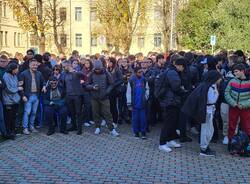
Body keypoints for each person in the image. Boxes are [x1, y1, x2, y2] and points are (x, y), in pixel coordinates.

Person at [182, 70, 222, 156]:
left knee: (208, 130)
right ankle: (204, 149)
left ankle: (205, 147)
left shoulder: (206, 85)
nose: (220, 80)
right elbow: (211, 100)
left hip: (207, 110)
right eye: (219, 78)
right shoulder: (210, 88)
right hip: (207, 111)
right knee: (207, 131)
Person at [158, 58, 187, 153]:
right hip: (170, 101)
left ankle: (169, 140)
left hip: (173, 100)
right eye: (184, 67)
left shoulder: (172, 71)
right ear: (180, 66)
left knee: (173, 122)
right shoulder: (172, 73)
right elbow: (176, 87)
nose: (184, 69)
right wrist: (183, 90)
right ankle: (162, 143)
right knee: (168, 122)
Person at [86, 60, 119, 136]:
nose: (97, 70)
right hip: (94, 97)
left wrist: (107, 92)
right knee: (95, 113)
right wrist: (92, 87)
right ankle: (97, 127)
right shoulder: (91, 73)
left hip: (104, 97)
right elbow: (87, 85)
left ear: (101, 67)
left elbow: (112, 84)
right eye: (96, 69)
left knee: (107, 113)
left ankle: (111, 129)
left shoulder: (106, 73)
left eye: (98, 69)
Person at [225, 64, 250, 150]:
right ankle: (231, 144)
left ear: (242, 71)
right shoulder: (232, 81)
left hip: (245, 108)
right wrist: (233, 103)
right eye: (234, 72)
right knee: (231, 126)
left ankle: (247, 145)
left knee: (247, 126)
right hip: (234, 107)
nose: (234, 73)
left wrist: (243, 105)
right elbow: (227, 93)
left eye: (236, 71)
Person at [19, 58, 46, 135]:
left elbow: (43, 81)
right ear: (29, 65)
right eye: (33, 65)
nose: (35, 66)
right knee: (27, 112)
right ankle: (25, 128)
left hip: (36, 96)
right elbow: (20, 86)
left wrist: (44, 86)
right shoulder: (23, 74)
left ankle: (31, 127)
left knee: (34, 113)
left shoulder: (39, 73)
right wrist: (23, 95)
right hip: (28, 96)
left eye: (36, 65)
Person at [61, 61, 84, 135]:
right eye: (63, 67)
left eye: (64, 66)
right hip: (68, 96)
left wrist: (74, 71)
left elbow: (83, 75)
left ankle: (79, 128)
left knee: (78, 112)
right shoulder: (64, 74)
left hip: (76, 95)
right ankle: (74, 126)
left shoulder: (76, 72)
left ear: (69, 66)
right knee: (71, 112)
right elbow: (63, 84)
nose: (63, 68)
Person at [2, 63, 21, 140]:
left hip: (15, 100)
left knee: (13, 117)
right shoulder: (6, 76)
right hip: (8, 101)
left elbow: (15, 85)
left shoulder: (15, 75)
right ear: (12, 69)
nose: (18, 70)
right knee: (8, 118)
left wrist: (18, 85)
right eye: (17, 68)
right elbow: (8, 89)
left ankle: (13, 131)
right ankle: (9, 133)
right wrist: (18, 88)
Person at [129, 67, 147, 139]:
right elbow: (128, 92)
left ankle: (143, 132)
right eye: (139, 72)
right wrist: (129, 103)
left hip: (142, 103)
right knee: (135, 119)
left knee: (143, 119)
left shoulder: (144, 79)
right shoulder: (131, 80)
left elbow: (147, 89)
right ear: (135, 72)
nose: (141, 73)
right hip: (134, 104)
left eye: (141, 72)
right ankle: (136, 132)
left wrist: (146, 97)